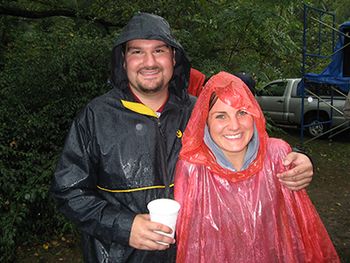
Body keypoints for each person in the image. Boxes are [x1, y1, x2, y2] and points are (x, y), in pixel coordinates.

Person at [51, 13, 314, 263]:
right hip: (119, 254)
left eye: (159, 51)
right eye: (137, 52)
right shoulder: (96, 117)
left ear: (173, 58)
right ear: (123, 60)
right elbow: (69, 192)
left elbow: (247, 142)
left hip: (192, 253)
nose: (149, 62)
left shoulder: (198, 113)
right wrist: (124, 226)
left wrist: (298, 158)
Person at [174, 71, 339, 263]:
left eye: (242, 112)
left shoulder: (277, 155)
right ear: (205, 121)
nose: (234, 126)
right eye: (221, 116)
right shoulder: (193, 167)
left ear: (254, 113)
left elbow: (300, 224)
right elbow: (190, 244)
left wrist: (306, 162)